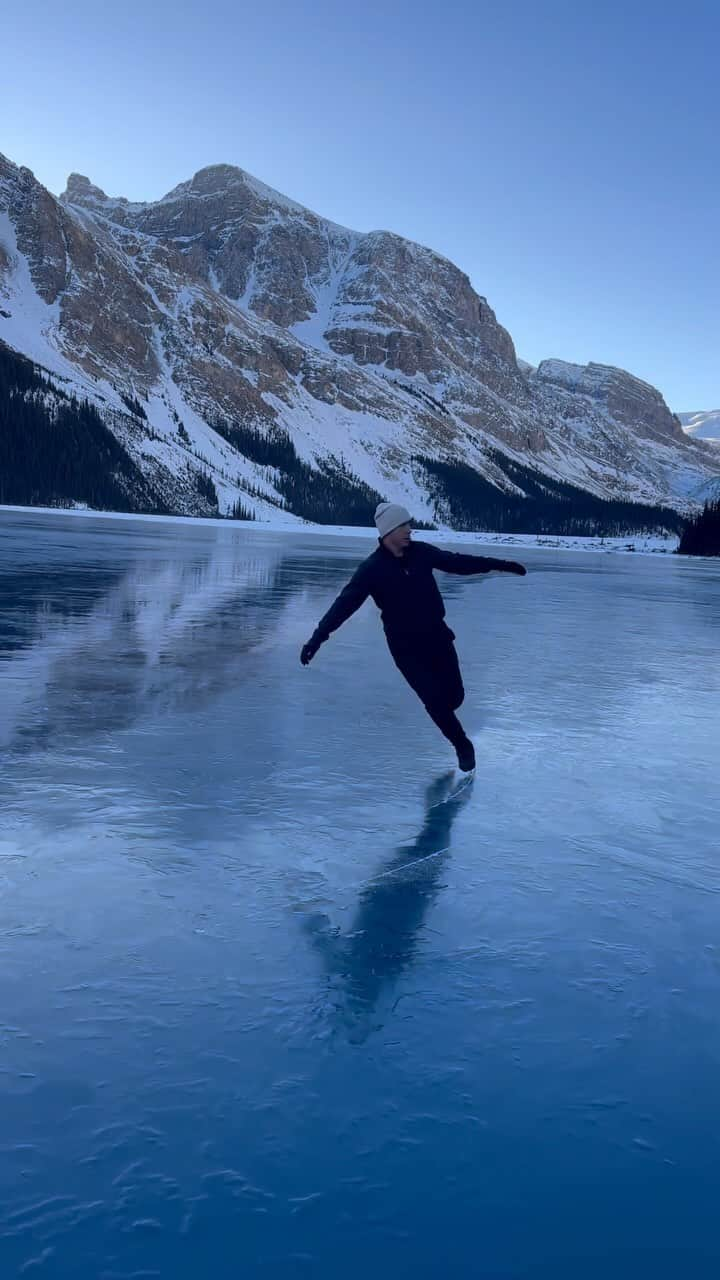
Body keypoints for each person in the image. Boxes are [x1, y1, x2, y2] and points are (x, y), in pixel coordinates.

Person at [300, 502, 527, 772]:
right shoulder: (371, 569)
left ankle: (450, 717)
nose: (410, 530)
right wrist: (317, 638)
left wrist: (500, 565)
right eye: (404, 525)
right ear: (389, 531)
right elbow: (343, 606)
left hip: (438, 637)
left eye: (408, 524)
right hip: (405, 649)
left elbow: (457, 562)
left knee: (454, 698)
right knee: (433, 700)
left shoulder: (421, 553)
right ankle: (462, 746)